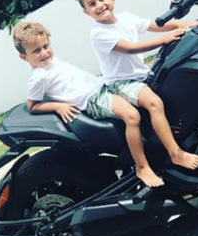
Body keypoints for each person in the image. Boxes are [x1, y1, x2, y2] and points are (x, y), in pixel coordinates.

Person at [73, 0, 198, 188]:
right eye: (92, 4)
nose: (99, 6)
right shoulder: (98, 33)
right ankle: (175, 153)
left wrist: (187, 24)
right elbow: (131, 48)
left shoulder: (126, 17)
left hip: (143, 75)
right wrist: (165, 39)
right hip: (121, 83)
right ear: (86, 12)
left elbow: (154, 25)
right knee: (154, 103)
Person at [13, 20, 178, 187]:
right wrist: (58, 106)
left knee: (153, 93)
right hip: (93, 99)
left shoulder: (52, 62)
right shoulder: (38, 77)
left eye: (46, 46)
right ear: (24, 57)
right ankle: (142, 167)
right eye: (36, 51)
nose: (44, 53)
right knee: (132, 116)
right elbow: (32, 105)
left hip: (103, 85)